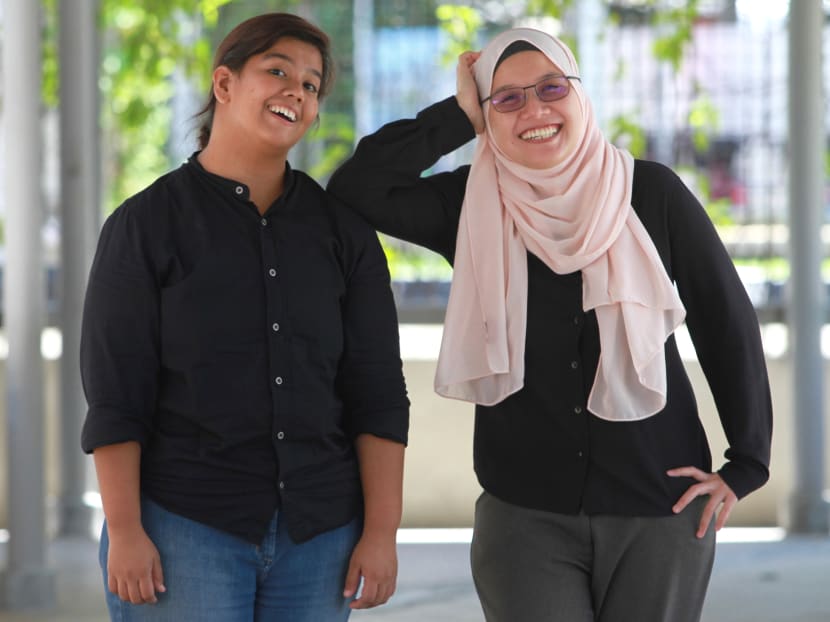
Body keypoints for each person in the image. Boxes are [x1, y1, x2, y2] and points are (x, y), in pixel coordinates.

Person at [327, 26, 772, 622]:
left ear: (578, 94)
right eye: (506, 98)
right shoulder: (470, 204)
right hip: (524, 515)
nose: (533, 109)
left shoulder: (650, 193)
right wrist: (459, 115)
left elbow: (724, 321)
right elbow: (357, 186)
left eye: (550, 88)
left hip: (659, 507)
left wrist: (746, 464)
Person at [81, 12, 409, 621]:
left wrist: (381, 533)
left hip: (321, 536)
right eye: (278, 71)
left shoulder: (344, 234)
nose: (298, 91)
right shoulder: (143, 226)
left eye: (312, 85)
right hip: (184, 526)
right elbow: (116, 394)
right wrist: (124, 530)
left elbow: (378, 391)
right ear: (224, 85)